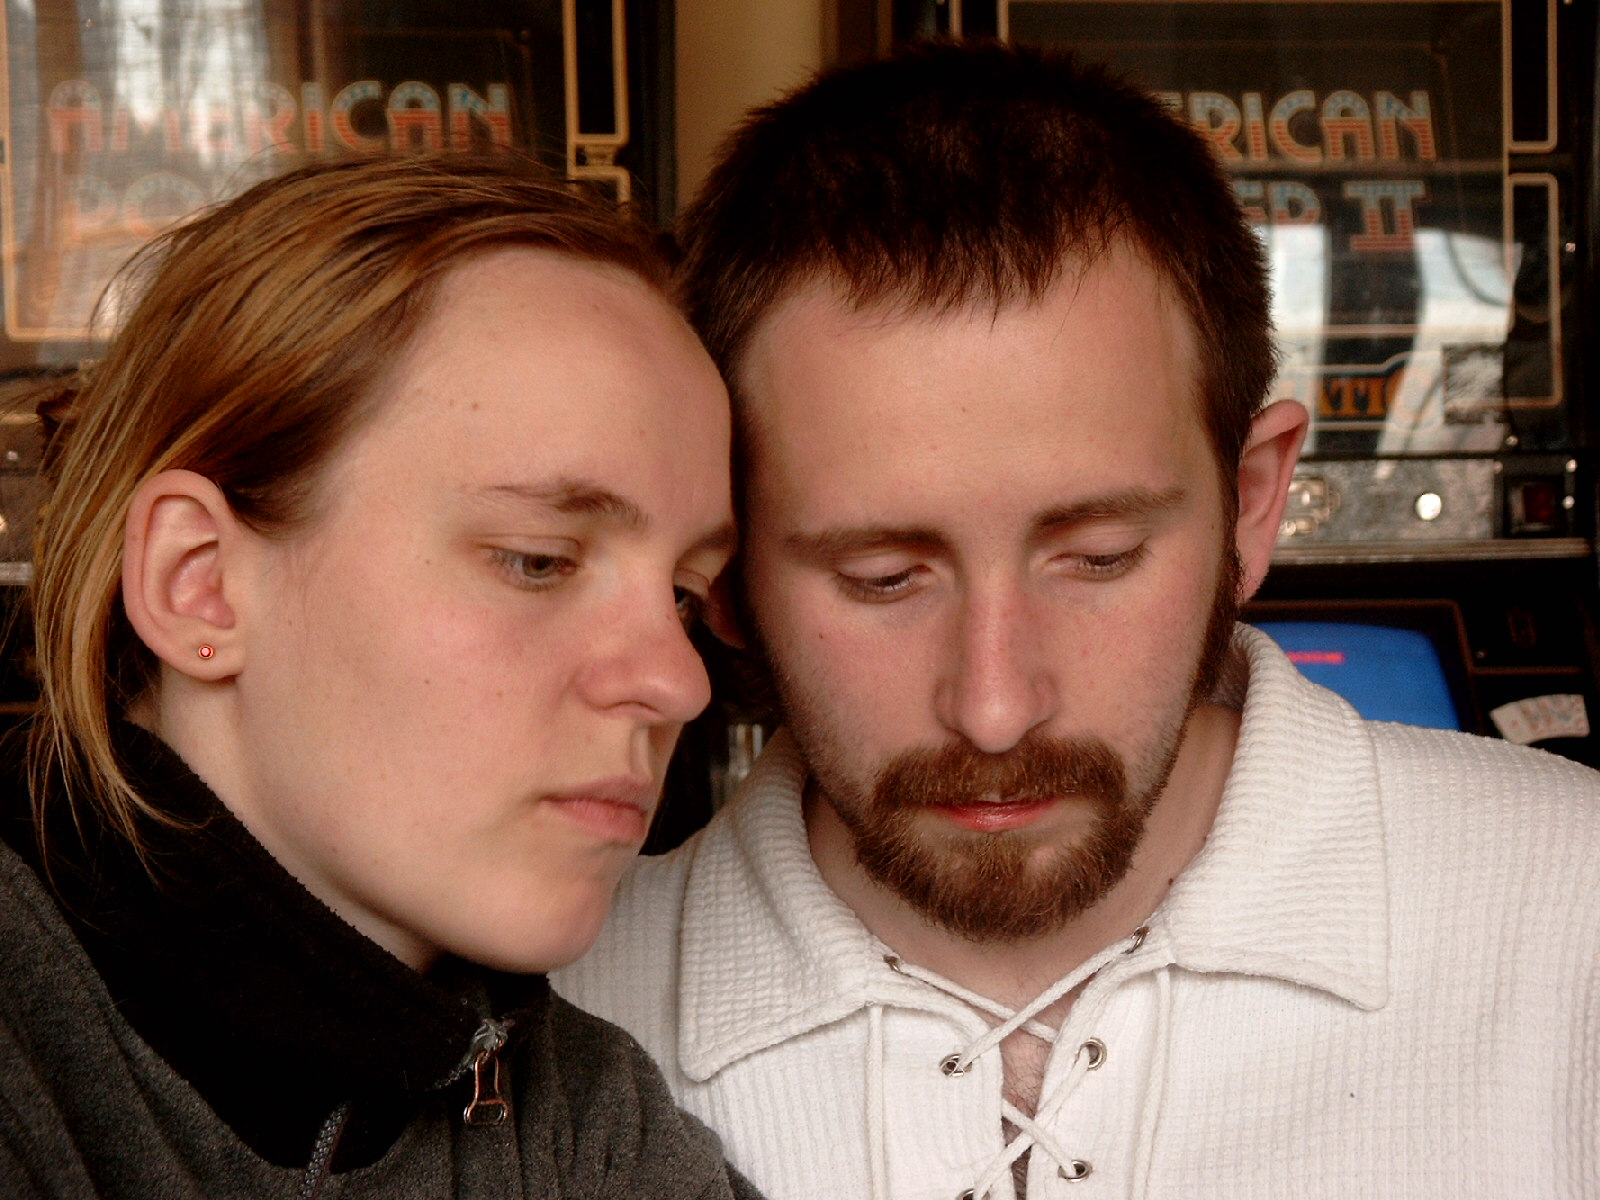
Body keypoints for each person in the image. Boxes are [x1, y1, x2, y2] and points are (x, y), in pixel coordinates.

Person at [552, 41, 1600, 1200]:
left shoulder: (1578, 915)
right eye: (882, 577)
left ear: (1252, 506)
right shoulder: (544, 1017)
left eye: (1098, 559)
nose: (995, 708)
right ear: (722, 573)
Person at [0, 153, 761, 1199]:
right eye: (537, 561)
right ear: (199, 583)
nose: (678, 682)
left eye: (683, 595)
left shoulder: (581, 1115)